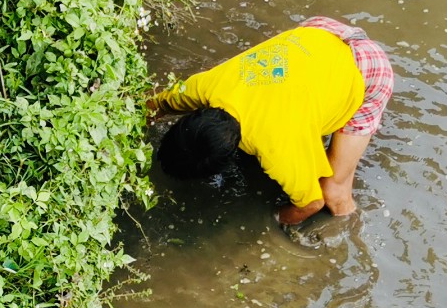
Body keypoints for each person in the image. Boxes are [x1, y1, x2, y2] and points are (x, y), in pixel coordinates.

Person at [150, 16, 393, 224]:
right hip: (318, 33)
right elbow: (157, 104)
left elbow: (311, 204)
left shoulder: (276, 148)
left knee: (333, 192)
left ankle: (350, 228)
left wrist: (275, 220)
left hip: (368, 69)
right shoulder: (203, 87)